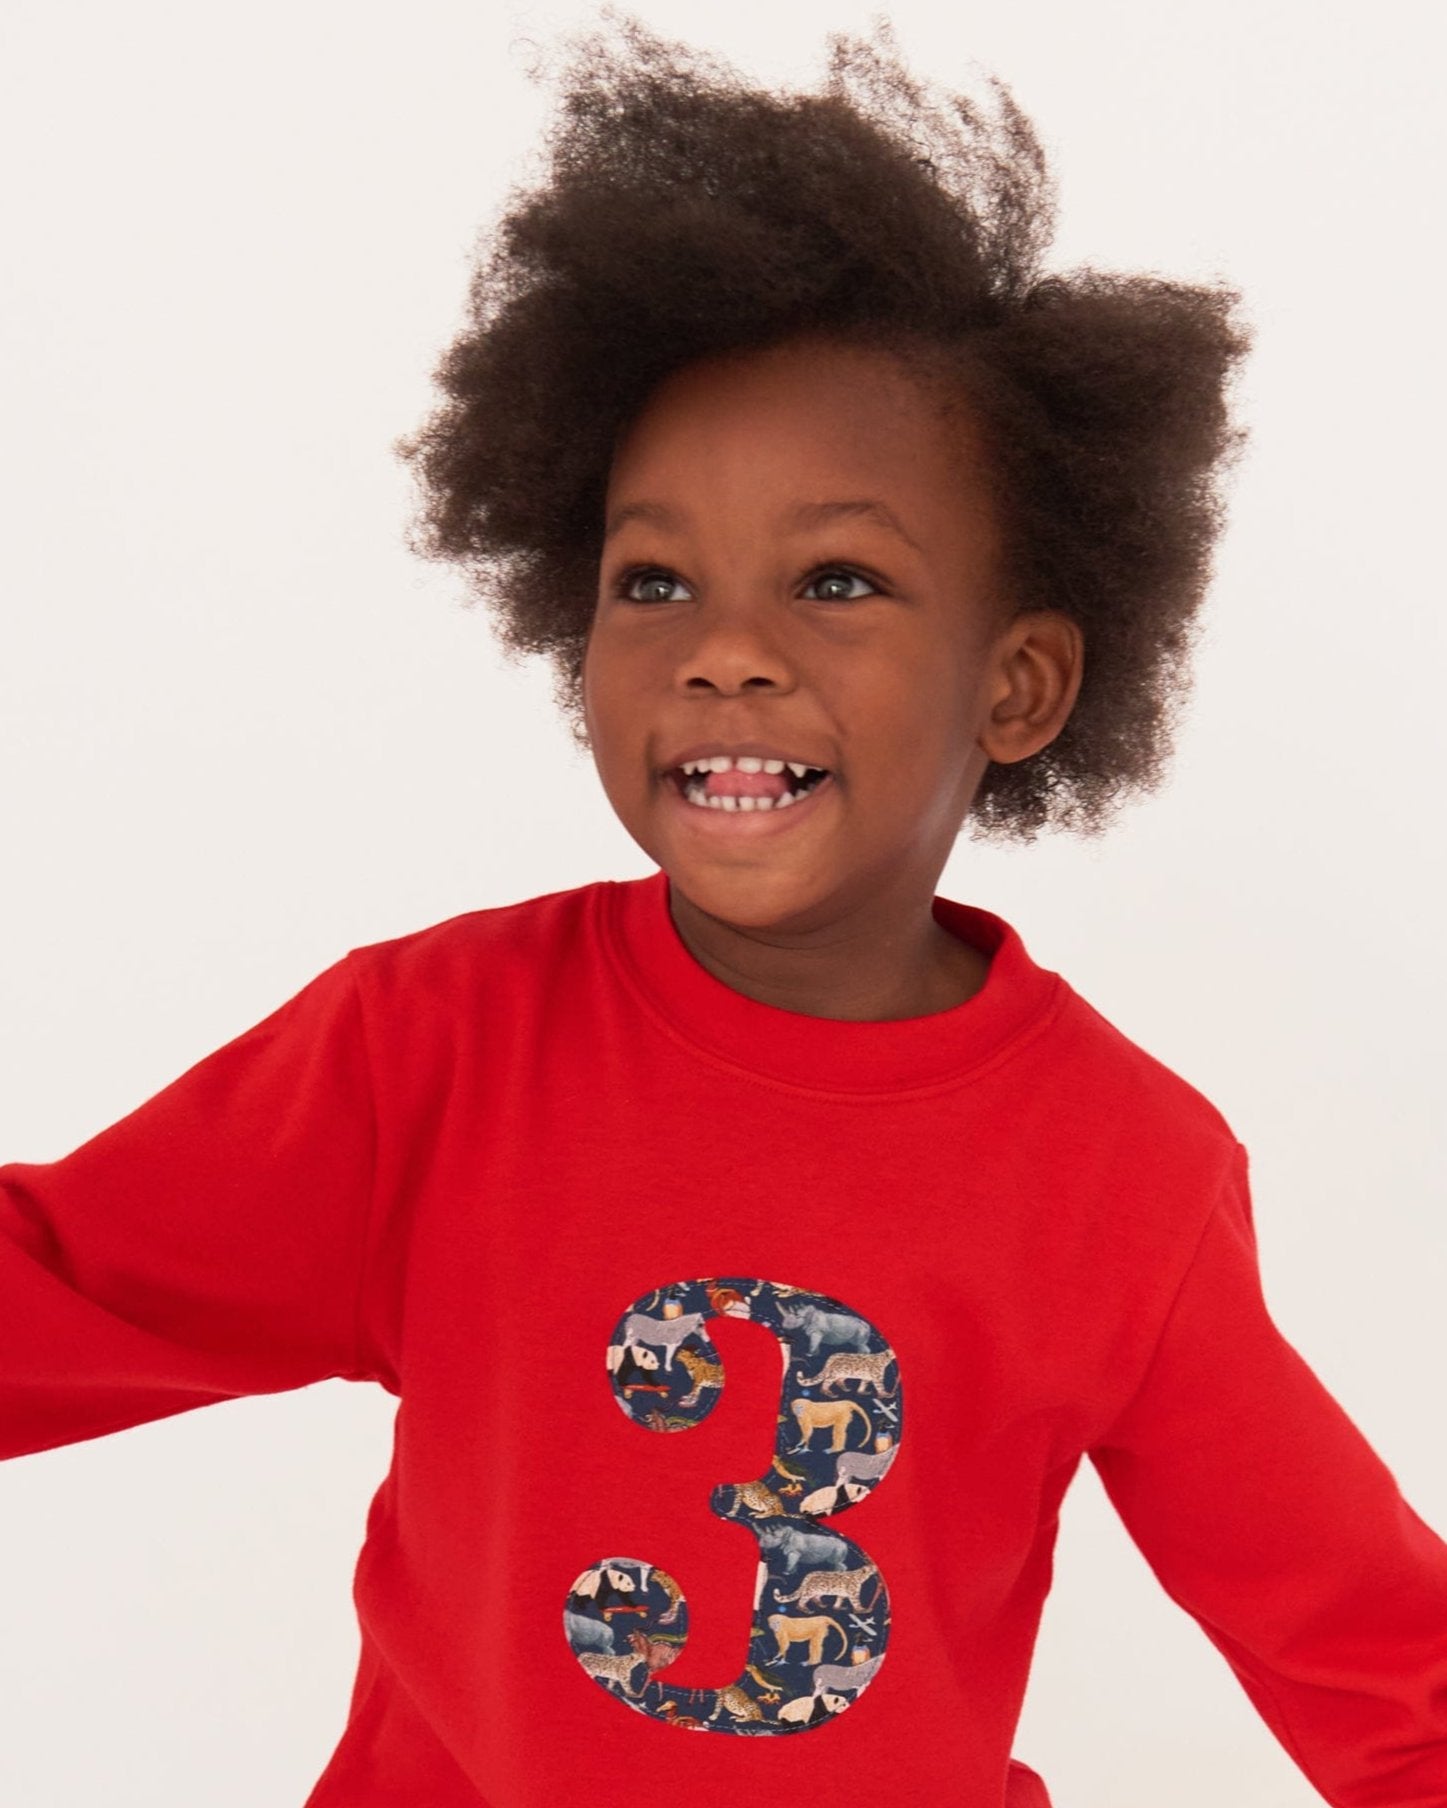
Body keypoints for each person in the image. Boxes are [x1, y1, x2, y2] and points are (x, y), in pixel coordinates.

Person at [3, 13, 1445, 1806]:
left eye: (837, 579)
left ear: (1020, 687)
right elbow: (52, 1291)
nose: (728, 653)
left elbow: (1382, 1660)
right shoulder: (434, 1054)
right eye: (654, 578)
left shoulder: (1120, 1177)